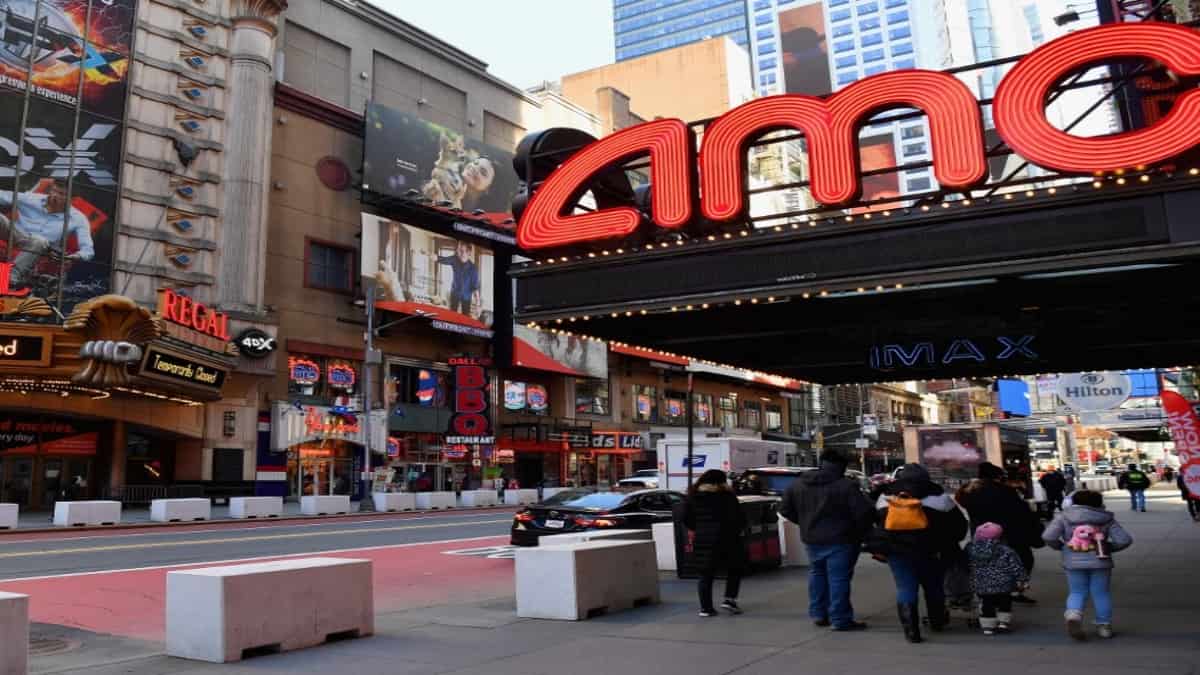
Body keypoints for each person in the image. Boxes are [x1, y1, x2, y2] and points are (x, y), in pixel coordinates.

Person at [780, 450, 874, 631]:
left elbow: (785, 509)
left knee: (817, 574)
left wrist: (804, 522)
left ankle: (819, 613)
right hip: (841, 539)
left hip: (812, 539)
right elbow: (862, 513)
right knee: (839, 579)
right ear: (841, 466)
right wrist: (860, 532)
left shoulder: (797, 484)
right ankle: (840, 618)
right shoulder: (846, 486)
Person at [875, 464, 967, 643]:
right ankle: (937, 621)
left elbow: (878, 522)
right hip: (932, 551)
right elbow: (959, 527)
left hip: (897, 551)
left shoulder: (886, 497)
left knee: (905, 588)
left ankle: (911, 631)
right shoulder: (939, 497)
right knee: (934, 587)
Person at [1042, 490, 1133, 640]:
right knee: (1101, 593)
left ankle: (1073, 614)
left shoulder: (1064, 516)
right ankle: (1104, 627)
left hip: (1073, 561)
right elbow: (1124, 540)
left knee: (1077, 591)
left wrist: (1061, 547)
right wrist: (1108, 548)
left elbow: (1048, 536)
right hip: (1101, 560)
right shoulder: (1106, 518)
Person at [956, 462, 1040, 604]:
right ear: (997, 476)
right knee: (1020, 559)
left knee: (985, 562)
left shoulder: (969, 490)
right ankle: (1013, 590)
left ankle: (989, 593)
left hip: (980, 531)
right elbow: (1020, 510)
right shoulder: (1004, 490)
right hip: (1006, 531)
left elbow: (963, 503)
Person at [0, 180, 95, 289]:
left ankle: (10, 277)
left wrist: (76, 256)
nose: (54, 195)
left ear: (71, 199)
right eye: (53, 191)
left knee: (39, 240)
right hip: (17, 236)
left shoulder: (78, 218)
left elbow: (88, 250)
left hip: (43, 248)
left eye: (61, 194)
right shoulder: (31, 198)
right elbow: (3, 195)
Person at [681, 469, 747, 617]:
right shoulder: (727, 496)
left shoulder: (693, 495)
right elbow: (739, 516)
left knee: (705, 573)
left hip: (704, 538)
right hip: (728, 537)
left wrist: (700, 529)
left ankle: (706, 608)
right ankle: (729, 599)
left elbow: (686, 518)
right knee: (734, 568)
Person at [965, 522, 1029, 636]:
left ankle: (988, 627)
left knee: (986, 603)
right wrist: (1022, 578)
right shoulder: (1005, 550)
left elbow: (967, 565)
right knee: (1005, 602)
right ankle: (1003, 623)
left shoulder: (971, 550)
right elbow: (1015, 566)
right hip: (1004, 583)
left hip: (982, 583)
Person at [437, 241, 480, 317]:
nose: (460, 253)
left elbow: (475, 288)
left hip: (466, 296)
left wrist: (477, 305)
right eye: (459, 250)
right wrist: (432, 256)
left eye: (463, 251)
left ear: (469, 253)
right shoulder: (455, 259)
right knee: (452, 315)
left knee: (465, 317)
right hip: (455, 293)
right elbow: (442, 259)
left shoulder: (473, 269)